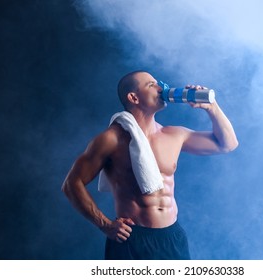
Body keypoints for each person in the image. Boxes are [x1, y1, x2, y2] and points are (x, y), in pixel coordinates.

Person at [61, 70, 238, 259]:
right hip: (132, 239)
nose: (161, 87)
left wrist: (212, 107)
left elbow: (227, 144)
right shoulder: (111, 139)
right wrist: (105, 225)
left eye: (158, 83)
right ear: (133, 97)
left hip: (171, 236)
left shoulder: (174, 135)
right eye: (151, 85)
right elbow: (72, 184)